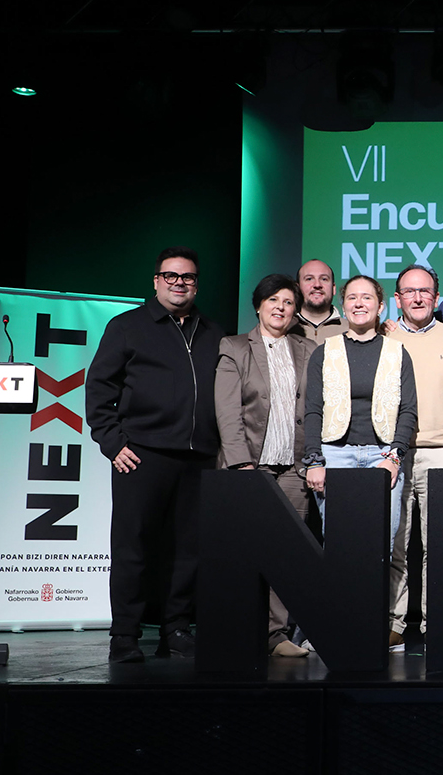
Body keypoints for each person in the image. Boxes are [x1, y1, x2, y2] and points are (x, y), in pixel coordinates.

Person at [86, 246, 224, 663]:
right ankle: (124, 636)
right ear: (156, 281)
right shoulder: (127, 326)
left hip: (199, 458)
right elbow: (99, 389)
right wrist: (112, 443)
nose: (179, 283)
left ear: (196, 283)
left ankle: (176, 630)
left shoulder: (214, 332)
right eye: (171, 276)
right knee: (133, 547)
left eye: (188, 277)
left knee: (188, 551)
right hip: (141, 455)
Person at [302, 275, 418, 637]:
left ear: (381, 306)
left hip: (383, 455)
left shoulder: (397, 352)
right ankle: (342, 625)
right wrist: (315, 460)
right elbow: (313, 410)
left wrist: (395, 457)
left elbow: (409, 411)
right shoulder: (326, 350)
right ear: (344, 304)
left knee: (381, 544)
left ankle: (371, 623)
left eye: (367, 298)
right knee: (340, 544)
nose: (359, 303)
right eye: (352, 297)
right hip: (336, 456)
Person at [214, 274, 316, 658]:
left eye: (288, 302)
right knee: (243, 551)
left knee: (286, 555)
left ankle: (276, 636)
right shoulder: (236, 347)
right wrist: (240, 464)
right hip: (249, 467)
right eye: (273, 300)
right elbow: (227, 410)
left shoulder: (306, 349)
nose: (280, 308)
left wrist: (312, 461)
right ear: (258, 305)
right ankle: (238, 628)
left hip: (293, 467)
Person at [385, 265, 443, 650]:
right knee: (395, 545)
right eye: (409, 291)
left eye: (426, 291)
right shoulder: (382, 338)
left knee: (441, 547)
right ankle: (395, 623)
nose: (418, 298)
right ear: (397, 297)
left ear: (438, 297)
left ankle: (438, 624)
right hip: (394, 457)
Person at [295, 259, 347, 342]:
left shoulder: (351, 331)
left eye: (324, 279)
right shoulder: (285, 329)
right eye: (309, 279)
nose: (317, 285)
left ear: (333, 288)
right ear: (297, 288)